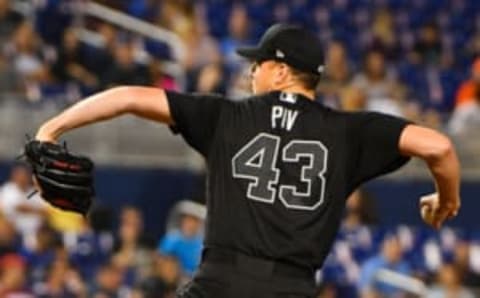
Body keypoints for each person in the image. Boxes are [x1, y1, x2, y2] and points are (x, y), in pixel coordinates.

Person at [32, 24, 461, 298]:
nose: (250, 72)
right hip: (291, 289)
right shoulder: (350, 131)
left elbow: (126, 96)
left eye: (257, 64)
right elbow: (439, 147)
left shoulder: (226, 115)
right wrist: (445, 199)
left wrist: (51, 129)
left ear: (279, 71)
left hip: (220, 281)